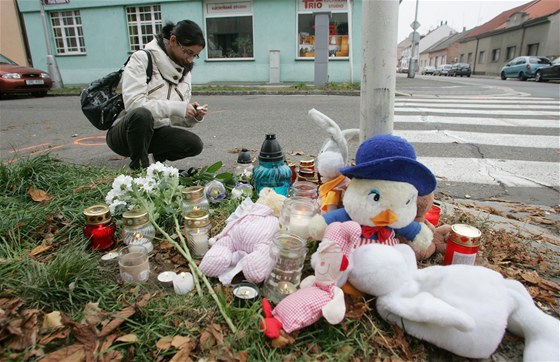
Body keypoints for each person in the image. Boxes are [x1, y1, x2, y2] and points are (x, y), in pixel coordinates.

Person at [106, 20, 208, 170]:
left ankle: (158, 165)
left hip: (156, 132)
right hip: (125, 134)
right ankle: (140, 169)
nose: (190, 59)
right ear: (173, 40)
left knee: (194, 145)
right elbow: (134, 105)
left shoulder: (185, 72)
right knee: (142, 114)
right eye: (188, 52)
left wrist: (192, 116)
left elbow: (172, 117)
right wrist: (178, 107)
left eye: (195, 55)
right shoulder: (142, 58)